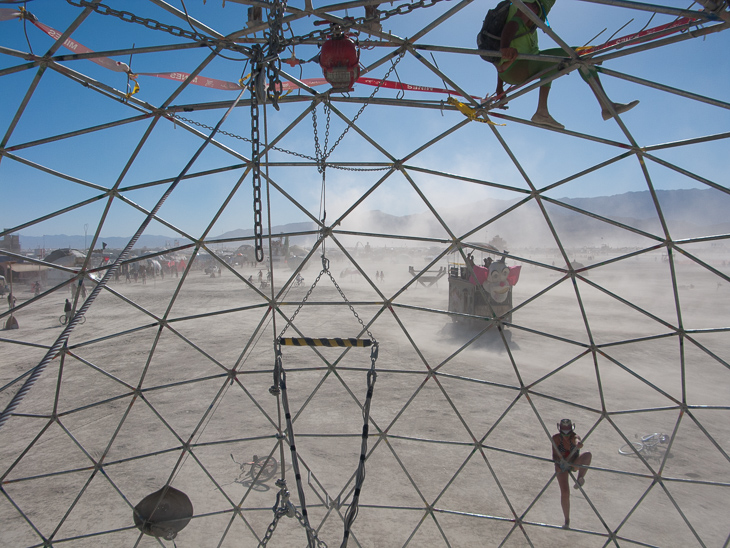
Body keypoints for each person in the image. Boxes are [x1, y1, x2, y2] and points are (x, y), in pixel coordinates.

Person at [496, 0, 638, 129]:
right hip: (516, 69)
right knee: (570, 56)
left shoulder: (527, 25)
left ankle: (605, 105)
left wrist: (499, 88)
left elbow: (500, 61)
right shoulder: (529, 6)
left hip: (512, 70)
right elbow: (512, 24)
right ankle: (542, 112)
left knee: (579, 54)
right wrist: (504, 47)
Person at [551, 418, 592, 529]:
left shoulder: (574, 436)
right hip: (561, 465)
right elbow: (554, 455)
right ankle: (567, 520)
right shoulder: (555, 438)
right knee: (565, 492)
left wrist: (578, 444)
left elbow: (577, 439)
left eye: (567, 432)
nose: (566, 435)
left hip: (573, 463)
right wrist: (560, 463)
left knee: (588, 455)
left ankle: (580, 478)